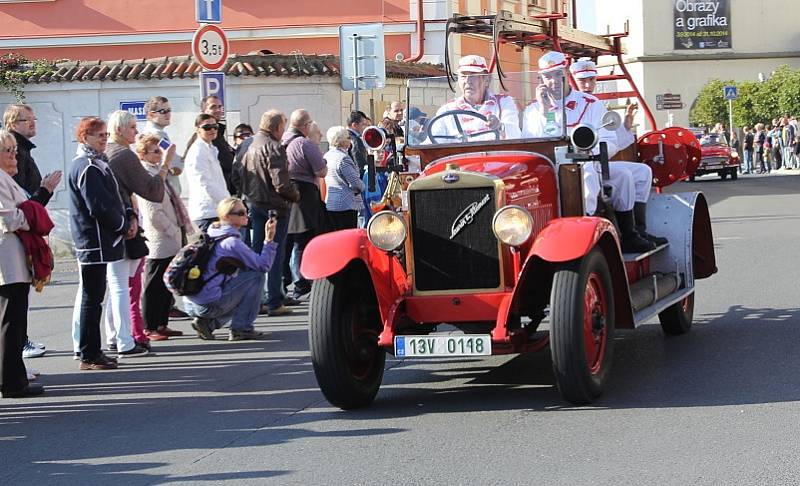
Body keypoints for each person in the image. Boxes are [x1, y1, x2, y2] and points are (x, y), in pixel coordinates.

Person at [522, 51, 652, 253]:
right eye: (547, 76)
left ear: (566, 72)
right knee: (591, 174)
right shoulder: (533, 111)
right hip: (550, 170)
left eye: (558, 74)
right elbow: (532, 146)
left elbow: (611, 141)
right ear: (540, 79)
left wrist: (591, 156)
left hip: (592, 163)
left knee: (635, 173)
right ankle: (585, 231)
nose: (553, 81)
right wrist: (546, 111)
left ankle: (631, 232)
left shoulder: (591, 104)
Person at [569, 58, 666, 245]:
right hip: (577, 165)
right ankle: (623, 233)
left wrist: (625, 128)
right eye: (583, 81)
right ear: (572, 80)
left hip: (596, 161)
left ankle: (638, 231)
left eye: (592, 80)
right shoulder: (566, 106)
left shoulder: (594, 104)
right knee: (623, 176)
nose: (588, 85)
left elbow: (608, 139)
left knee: (643, 172)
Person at [68, 117, 132, 370]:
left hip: (100, 239)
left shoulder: (96, 163)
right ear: (85, 138)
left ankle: (92, 351)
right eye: (99, 136)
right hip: (92, 240)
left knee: (94, 297)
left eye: (106, 135)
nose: (104, 139)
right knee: (91, 299)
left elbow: (113, 197)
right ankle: (89, 353)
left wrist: (127, 216)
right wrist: (121, 225)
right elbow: (99, 205)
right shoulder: (87, 166)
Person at [103, 110, 168, 357]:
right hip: (124, 226)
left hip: (116, 223)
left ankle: (115, 336)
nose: (136, 131)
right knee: (124, 286)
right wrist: (164, 168)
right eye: (132, 127)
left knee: (115, 287)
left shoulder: (109, 153)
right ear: (118, 130)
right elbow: (152, 190)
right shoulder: (123, 155)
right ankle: (125, 338)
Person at [3, 104, 60, 359]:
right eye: (28, 120)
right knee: (12, 307)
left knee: (17, 303)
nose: (34, 123)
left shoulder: (24, 151)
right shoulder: (16, 157)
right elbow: (18, 207)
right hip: (13, 241)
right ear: (13, 123)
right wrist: (44, 192)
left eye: (35, 118)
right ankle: (17, 352)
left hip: (21, 235)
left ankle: (16, 356)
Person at [183, 197, 278, 341]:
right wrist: (269, 240)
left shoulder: (213, 232)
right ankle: (242, 328)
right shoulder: (232, 243)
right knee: (256, 276)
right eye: (241, 213)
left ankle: (207, 323)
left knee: (242, 282)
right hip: (207, 305)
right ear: (227, 216)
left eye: (246, 211)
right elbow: (263, 265)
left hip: (192, 302)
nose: (246, 215)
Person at [239, 110, 300, 317]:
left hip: (255, 203)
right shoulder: (274, 147)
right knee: (273, 253)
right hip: (274, 206)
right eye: (283, 126)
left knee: (258, 253)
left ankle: (259, 299)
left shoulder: (248, 144)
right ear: (277, 128)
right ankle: (274, 300)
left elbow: (238, 174)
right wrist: (295, 195)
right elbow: (281, 184)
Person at [0, 129, 45, 397]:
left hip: (15, 257)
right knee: (11, 322)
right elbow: (9, 218)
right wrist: (33, 216)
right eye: (7, 150)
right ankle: (12, 382)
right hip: (8, 260)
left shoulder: (7, 178)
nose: (14, 155)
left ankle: (13, 378)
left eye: (14, 150)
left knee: (14, 320)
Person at [135, 134, 191, 341]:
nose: (160, 154)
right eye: (155, 151)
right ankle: (149, 326)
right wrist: (172, 229)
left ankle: (161, 322)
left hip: (171, 234)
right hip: (158, 238)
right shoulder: (146, 175)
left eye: (159, 150)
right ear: (143, 154)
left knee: (167, 282)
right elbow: (153, 212)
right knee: (154, 284)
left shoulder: (158, 172)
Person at [282, 109, 328, 301]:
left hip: (284, 193)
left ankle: (282, 284)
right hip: (304, 194)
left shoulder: (281, 141)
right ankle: (302, 283)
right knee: (304, 240)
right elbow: (321, 171)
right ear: (306, 126)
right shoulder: (305, 144)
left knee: (286, 242)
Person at [430, 55, 521, 142]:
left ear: (486, 80)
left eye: (473, 76)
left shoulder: (504, 102)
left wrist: (500, 126)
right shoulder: (447, 109)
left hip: (495, 156)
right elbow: (432, 141)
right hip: (460, 157)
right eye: (463, 76)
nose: (467, 81)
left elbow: (516, 136)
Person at [185, 113, 230, 232]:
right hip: (207, 213)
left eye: (215, 127)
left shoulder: (210, 148)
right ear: (197, 130)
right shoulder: (198, 151)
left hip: (216, 210)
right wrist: (227, 202)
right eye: (207, 127)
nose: (212, 130)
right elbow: (204, 183)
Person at [324, 126, 365, 230]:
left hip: (331, 202)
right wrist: (363, 186)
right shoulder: (343, 159)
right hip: (346, 204)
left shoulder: (327, 156)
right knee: (347, 235)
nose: (350, 140)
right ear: (341, 141)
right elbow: (355, 182)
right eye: (348, 137)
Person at [142, 96, 183, 195]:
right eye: (163, 111)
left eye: (169, 110)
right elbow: (176, 166)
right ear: (151, 115)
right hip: (166, 191)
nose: (168, 114)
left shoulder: (146, 132)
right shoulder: (158, 135)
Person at [201, 96, 237, 195]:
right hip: (214, 197)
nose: (218, 110)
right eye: (213, 107)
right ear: (203, 111)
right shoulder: (201, 140)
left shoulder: (218, 135)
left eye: (219, 107)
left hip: (225, 192)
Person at [346, 110, 370, 177]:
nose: (365, 127)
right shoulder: (356, 140)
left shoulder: (343, 137)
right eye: (363, 124)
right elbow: (360, 164)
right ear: (354, 125)